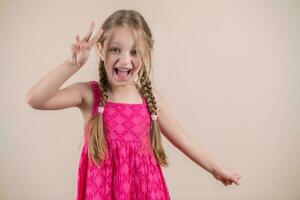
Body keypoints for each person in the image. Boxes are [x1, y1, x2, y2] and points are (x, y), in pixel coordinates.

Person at [26, 9, 241, 200]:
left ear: (146, 53)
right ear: (100, 51)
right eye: (116, 50)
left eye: (134, 51)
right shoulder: (88, 95)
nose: (125, 60)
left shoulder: (150, 99)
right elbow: (36, 99)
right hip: (102, 192)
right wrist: (73, 64)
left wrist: (216, 169)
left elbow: (183, 140)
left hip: (146, 191)